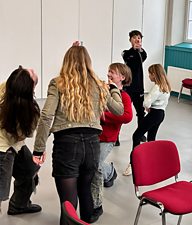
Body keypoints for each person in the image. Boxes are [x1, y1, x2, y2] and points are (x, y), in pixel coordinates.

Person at [32, 42, 124, 224]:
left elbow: (46, 115)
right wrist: (114, 88)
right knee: (85, 193)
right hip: (92, 145)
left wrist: (38, 149)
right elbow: (119, 110)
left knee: (68, 203)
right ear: (88, 63)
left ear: (66, 61)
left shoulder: (57, 83)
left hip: (66, 146)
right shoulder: (99, 84)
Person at [90, 63, 133, 221]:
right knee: (93, 163)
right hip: (93, 134)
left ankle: (97, 202)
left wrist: (104, 116)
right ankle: (110, 172)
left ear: (122, 77)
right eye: (108, 71)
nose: (109, 74)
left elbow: (127, 117)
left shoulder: (125, 97)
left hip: (108, 138)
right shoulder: (103, 91)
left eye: (112, 72)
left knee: (95, 165)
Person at [0, 66, 41, 215]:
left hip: (13, 143)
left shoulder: (9, 88)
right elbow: (24, 134)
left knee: (29, 169)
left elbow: (20, 137)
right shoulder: (31, 112)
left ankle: (19, 205)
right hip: (2, 148)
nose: (31, 68)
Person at [123, 64, 171, 176]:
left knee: (136, 136)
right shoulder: (166, 86)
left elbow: (146, 102)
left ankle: (132, 164)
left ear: (154, 74)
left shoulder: (157, 87)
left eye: (150, 73)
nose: (149, 76)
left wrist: (147, 107)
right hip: (161, 114)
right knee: (151, 137)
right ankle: (151, 162)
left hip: (153, 114)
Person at [122, 30, 147, 146]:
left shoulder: (142, 53)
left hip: (139, 89)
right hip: (128, 88)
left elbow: (142, 58)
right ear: (130, 40)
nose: (137, 40)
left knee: (141, 113)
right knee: (122, 112)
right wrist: (135, 50)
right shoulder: (126, 53)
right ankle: (116, 136)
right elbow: (132, 61)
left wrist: (139, 50)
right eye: (135, 38)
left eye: (139, 38)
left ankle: (141, 133)